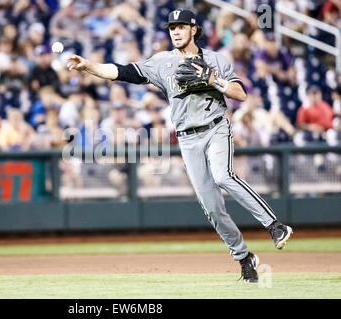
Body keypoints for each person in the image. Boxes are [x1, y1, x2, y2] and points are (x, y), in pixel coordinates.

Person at [66, 8, 293, 283]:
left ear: (194, 29)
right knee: (212, 207)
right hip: (187, 138)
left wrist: (212, 79)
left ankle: (274, 225)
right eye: (172, 27)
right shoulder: (162, 62)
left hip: (215, 127)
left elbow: (240, 93)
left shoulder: (215, 59)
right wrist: (88, 65)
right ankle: (245, 258)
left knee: (223, 176)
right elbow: (121, 72)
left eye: (181, 26)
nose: (175, 31)